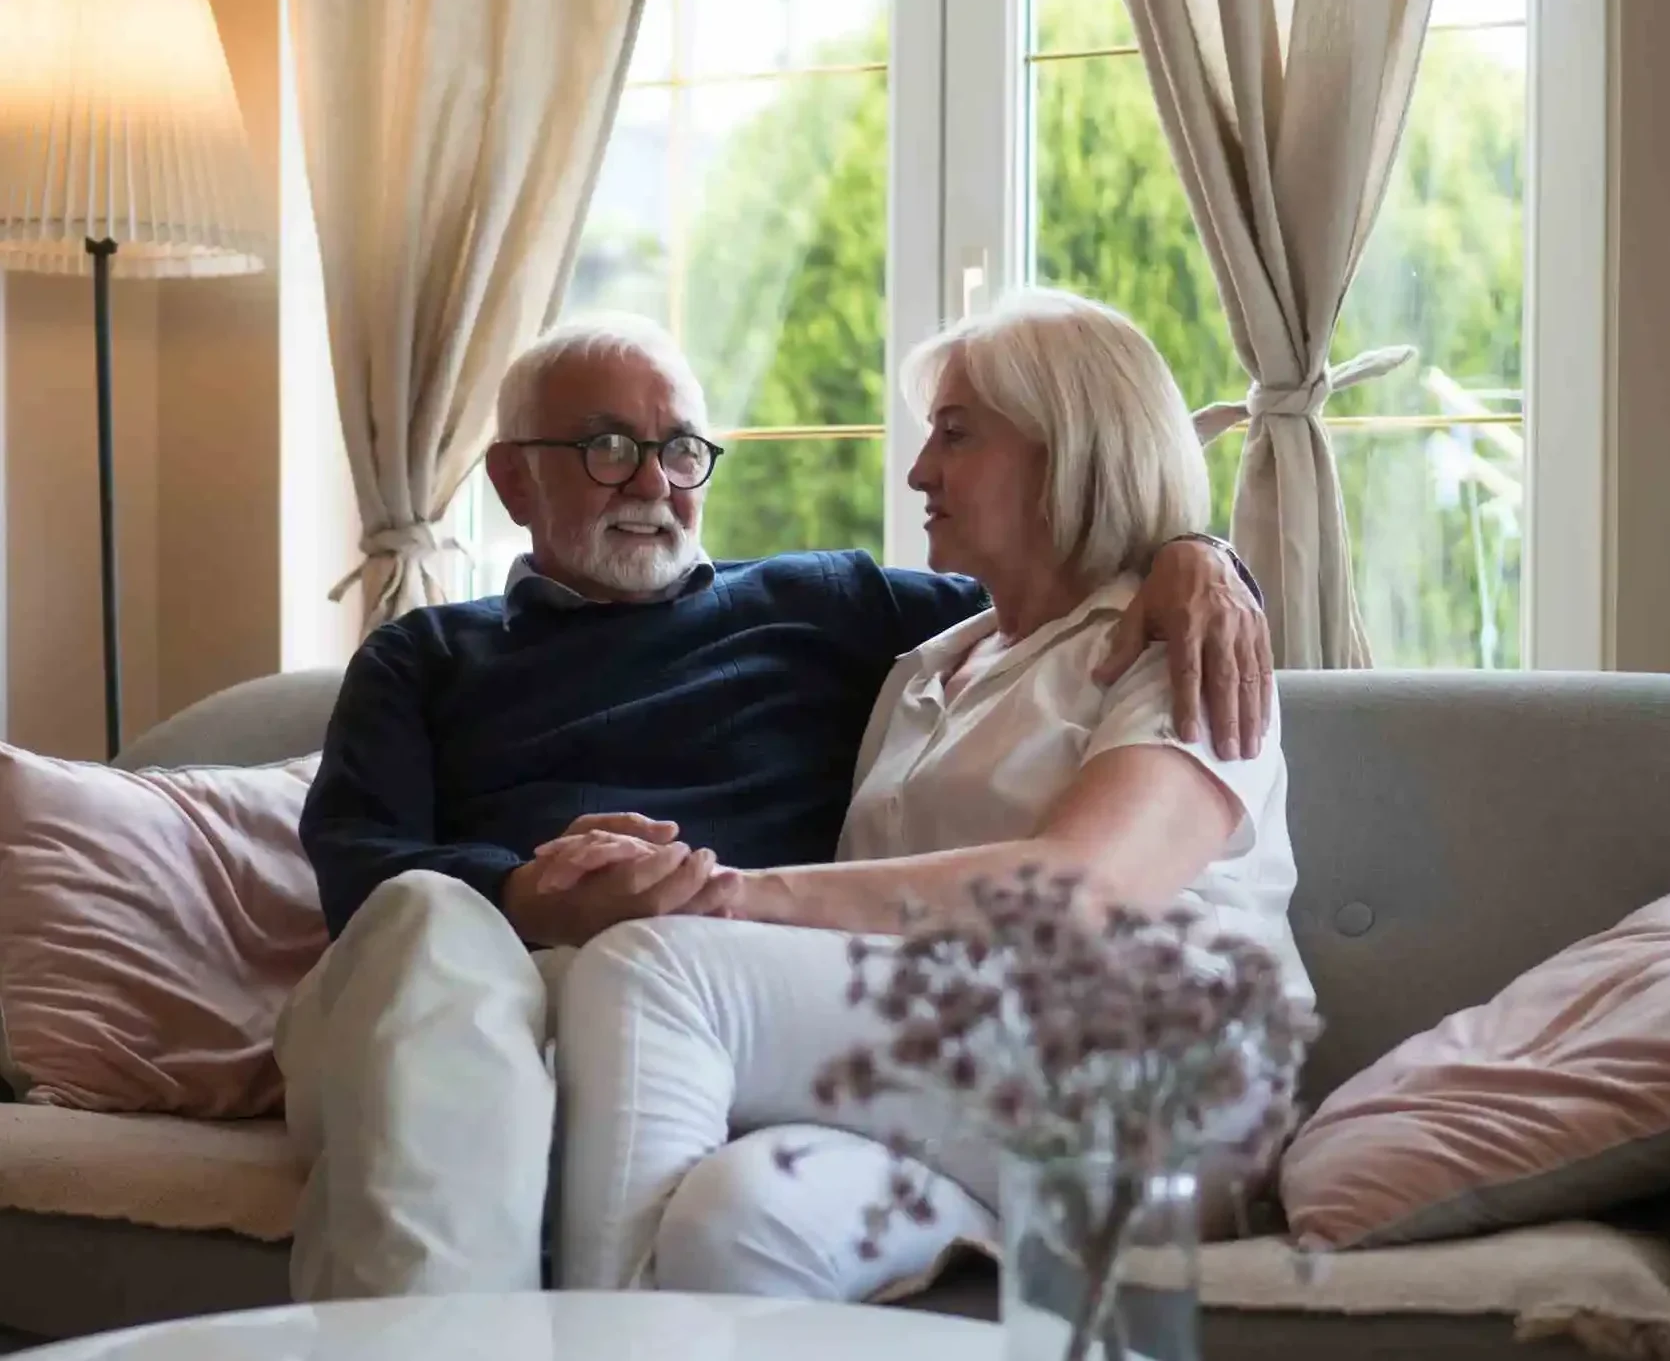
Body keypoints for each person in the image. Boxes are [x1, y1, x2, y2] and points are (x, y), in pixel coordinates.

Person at [274, 309, 1272, 1301]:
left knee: (647, 967)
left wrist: (1199, 552)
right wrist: (532, 896)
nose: (653, 481)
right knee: (729, 1213)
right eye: (609, 447)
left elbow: (1090, 598)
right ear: (512, 479)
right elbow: (362, 868)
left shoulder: (828, 611)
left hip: (749, 1010)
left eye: (678, 450)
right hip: (491, 1000)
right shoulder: (425, 657)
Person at [549, 290, 1314, 1300]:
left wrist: (727, 896)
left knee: (655, 971)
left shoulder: (1181, 643)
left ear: (1070, 451)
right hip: (973, 1095)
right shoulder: (926, 669)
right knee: (734, 1220)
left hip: (1150, 1083)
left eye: (955, 436)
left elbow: (1076, 894)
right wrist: (641, 865)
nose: (916, 470)